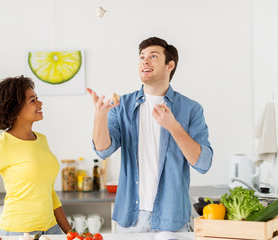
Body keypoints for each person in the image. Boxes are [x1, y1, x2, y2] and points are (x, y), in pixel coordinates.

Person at [87, 37, 213, 232]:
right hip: (131, 218)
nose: (145, 61)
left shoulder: (191, 109)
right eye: (142, 57)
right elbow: (103, 150)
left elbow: (203, 163)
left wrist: (173, 126)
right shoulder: (122, 107)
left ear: (169, 65)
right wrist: (99, 117)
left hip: (172, 219)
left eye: (153, 56)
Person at [0, 76, 72, 240]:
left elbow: (49, 192)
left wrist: (71, 233)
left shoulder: (42, 139)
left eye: (37, 99)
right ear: (15, 109)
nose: (40, 103)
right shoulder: (0, 145)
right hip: (17, 233)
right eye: (32, 100)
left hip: (52, 231)